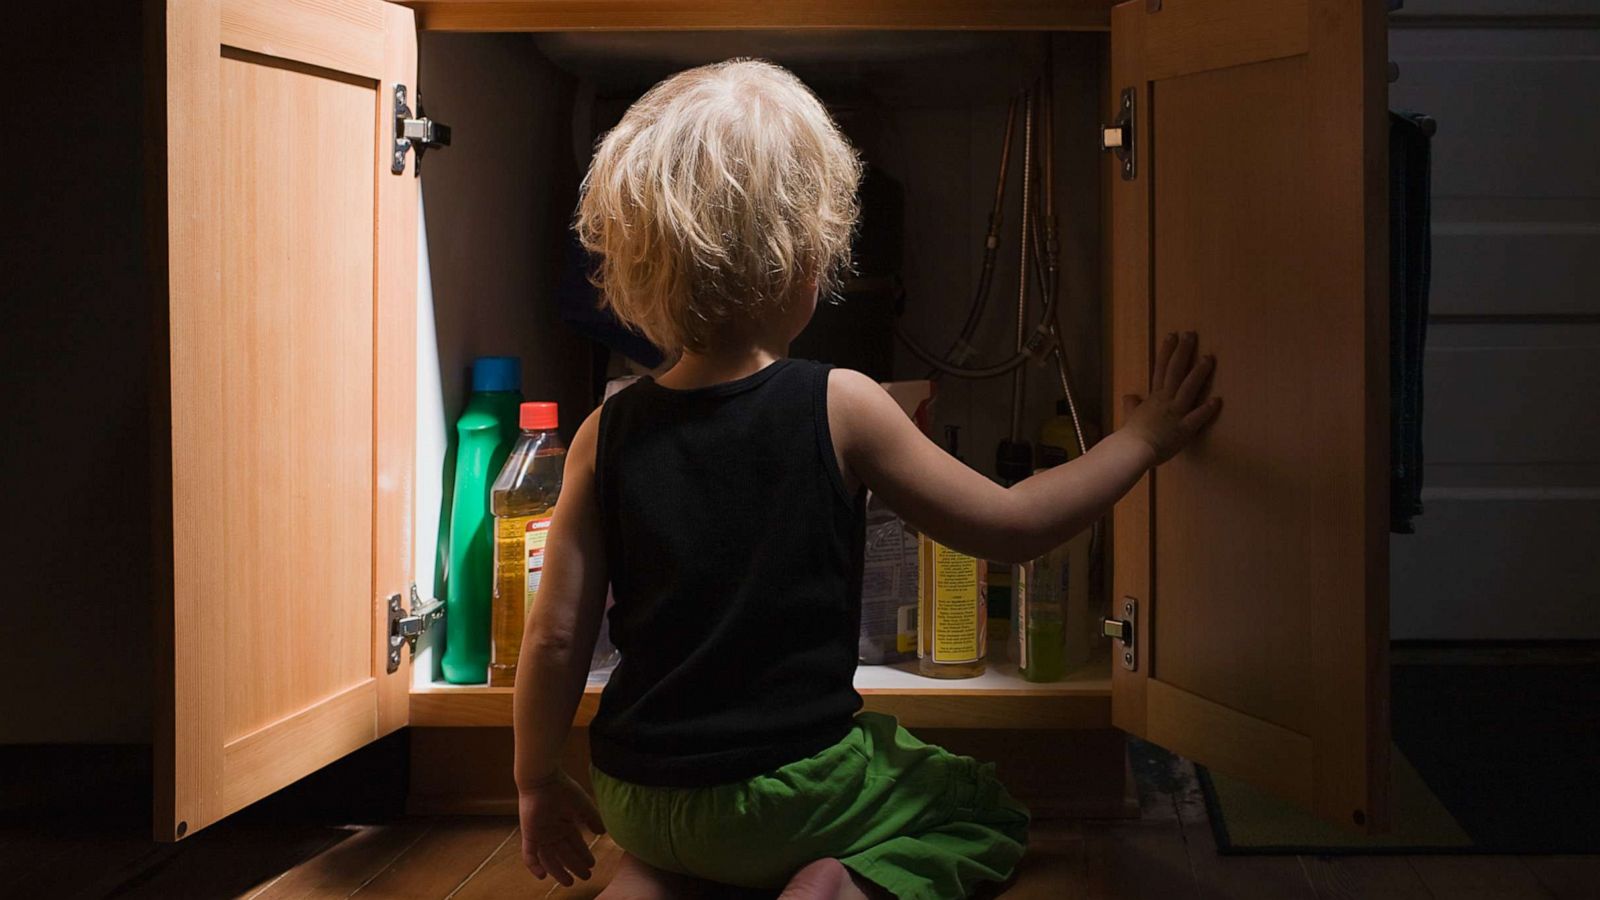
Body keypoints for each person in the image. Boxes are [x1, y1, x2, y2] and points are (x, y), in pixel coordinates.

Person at [511, 58, 1221, 900]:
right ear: (806, 262)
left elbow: (554, 641)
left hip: (640, 790)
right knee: (976, 810)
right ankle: (833, 888)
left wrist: (533, 784)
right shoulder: (840, 403)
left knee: (683, 844)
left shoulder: (605, 429)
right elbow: (1013, 524)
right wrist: (1141, 440)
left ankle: (653, 881)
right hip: (794, 791)